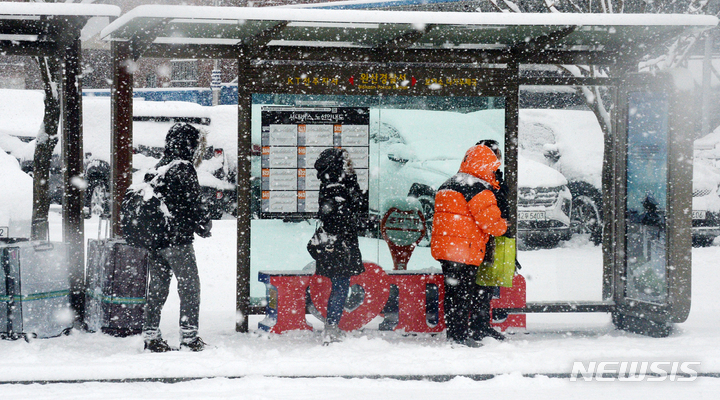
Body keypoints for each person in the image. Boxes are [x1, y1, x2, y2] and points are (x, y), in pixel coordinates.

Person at [142, 123, 212, 353]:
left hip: (156, 240)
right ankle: (189, 337)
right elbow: (194, 204)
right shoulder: (184, 168)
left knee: (158, 288)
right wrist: (203, 225)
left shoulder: (159, 166)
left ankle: (151, 335)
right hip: (177, 240)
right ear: (189, 145)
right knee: (190, 287)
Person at [431, 143, 508, 347]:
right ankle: (459, 337)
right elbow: (491, 223)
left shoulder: (447, 184)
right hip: (465, 251)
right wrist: (503, 226)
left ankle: (453, 335)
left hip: (446, 250)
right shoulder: (477, 188)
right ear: (484, 165)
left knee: (452, 294)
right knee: (463, 295)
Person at [313, 148, 365, 345]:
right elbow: (339, 216)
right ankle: (331, 327)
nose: (350, 164)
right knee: (341, 285)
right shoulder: (337, 186)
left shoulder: (332, 183)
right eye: (347, 162)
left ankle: (332, 325)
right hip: (340, 244)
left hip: (336, 243)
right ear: (339, 165)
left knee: (340, 284)